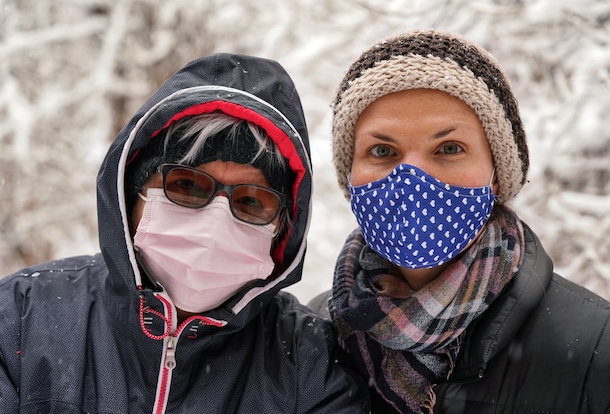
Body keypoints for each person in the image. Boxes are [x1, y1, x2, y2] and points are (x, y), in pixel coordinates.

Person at [0, 53, 369, 413]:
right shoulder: (21, 317)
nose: (215, 221)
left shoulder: (308, 364)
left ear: (281, 230)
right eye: (187, 186)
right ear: (131, 195)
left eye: (251, 202)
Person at [309, 29, 610, 413]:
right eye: (382, 150)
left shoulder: (603, 355)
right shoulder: (313, 336)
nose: (412, 178)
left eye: (449, 148)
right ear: (350, 175)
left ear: (495, 173)